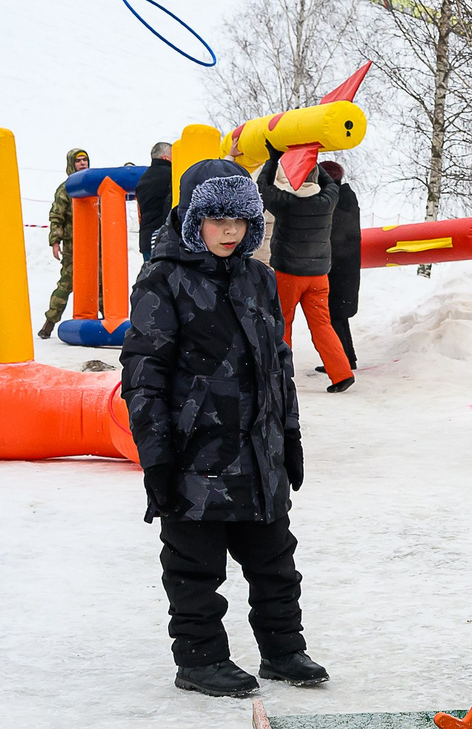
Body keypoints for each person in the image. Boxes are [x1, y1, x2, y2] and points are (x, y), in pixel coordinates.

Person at [121, 158, 328, 699]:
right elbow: (144, 374)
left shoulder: (259, 277)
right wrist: (157, 456)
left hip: (258, 453)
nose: (230, 231)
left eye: (240, 221)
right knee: (194, 567)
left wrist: (289, 435)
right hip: (196, 455)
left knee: (275, 562)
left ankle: (283, 651)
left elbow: (277, 362)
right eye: (217, 220)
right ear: (193, 219)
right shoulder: (163, 279)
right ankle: (201, 659)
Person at [257, 151, 355, 390]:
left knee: (284, 323)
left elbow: (262, 185)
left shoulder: (285, 203)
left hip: (288, 274)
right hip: (319, 275)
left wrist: (273, 159)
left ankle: (281, 375)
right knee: (322, 324)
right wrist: (310, 157)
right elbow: (330, 182)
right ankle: (342, 373)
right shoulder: (328, 200)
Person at [37, 146, 91, 335]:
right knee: (67, 283)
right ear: (71, 164)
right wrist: (55, 241)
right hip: (73, 246)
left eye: (84, 160)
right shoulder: (66, 189)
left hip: (95, 246)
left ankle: (105, 323)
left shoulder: (96, 186)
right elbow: (56, 216)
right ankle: (50, 322)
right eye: (78, 160)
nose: (82, 163)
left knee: (100, 284)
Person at [321, 157, 363, 374]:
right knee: (339, 315)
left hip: (335, 266)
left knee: (332, 315)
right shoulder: (347, 197)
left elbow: (332, 235)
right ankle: (349, 358)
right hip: (347, 265)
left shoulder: (333, 200)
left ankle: (342, 361)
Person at [136, 141, 172, 260]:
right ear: (165, 157)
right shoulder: (170, 175)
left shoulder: (144, 178)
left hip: (146, 238)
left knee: (150, 275)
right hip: (162, 238)